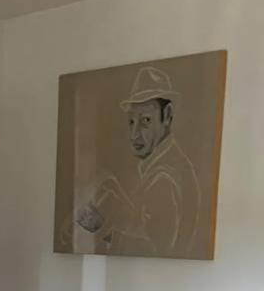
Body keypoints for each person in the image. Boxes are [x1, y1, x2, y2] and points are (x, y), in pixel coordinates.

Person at [65, 66, 202, 257]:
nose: (134, 134)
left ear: (167, 115)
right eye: (131, 122)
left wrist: (102, 227)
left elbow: (156, 249)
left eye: (145, 121)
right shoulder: (170, 164)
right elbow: (145, 221)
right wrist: (116, 193)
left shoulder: (164, 177)